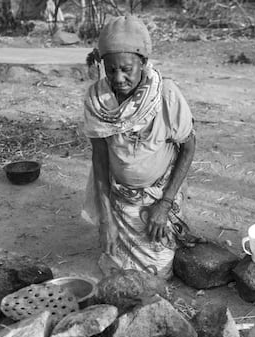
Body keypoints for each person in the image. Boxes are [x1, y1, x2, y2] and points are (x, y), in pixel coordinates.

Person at [82, 15, 196, 279]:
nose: (118, 78)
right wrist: (105, 218)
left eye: (126, 69)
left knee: (158, 274)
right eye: (111, 70)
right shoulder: (98, 99)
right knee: (114, 272)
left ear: (143, 63)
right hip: (121, 201)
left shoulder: (165, 95)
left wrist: (165, 205)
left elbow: (188, 148)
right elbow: (99, 158)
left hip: (158, 201)